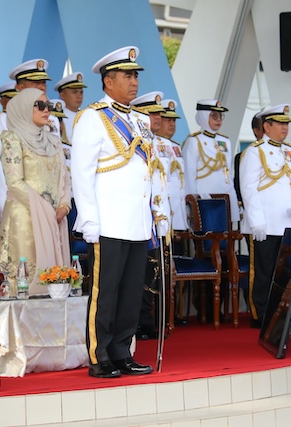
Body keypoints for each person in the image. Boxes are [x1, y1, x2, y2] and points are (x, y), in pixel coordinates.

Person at [71, 46, 166, 378]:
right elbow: (81, 174)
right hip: (108, 221)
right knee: (106, 292)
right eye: (127, 76)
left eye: (136, 76)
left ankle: (123, 351)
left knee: (130, 293)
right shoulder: (92, 118)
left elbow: (149, 170)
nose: (134, 82)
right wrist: (89, 219)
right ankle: (99, 356)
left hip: (137, 221)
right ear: (108, 81)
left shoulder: (140, 120)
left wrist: (157, 214)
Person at [0, 88, 71, 296]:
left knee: (54, 284)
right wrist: (43, 209)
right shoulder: (12, 139)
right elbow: (14, 182)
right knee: (25, 283)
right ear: (25, 108)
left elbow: (65, 179)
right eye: (40, 105)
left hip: (55, 219)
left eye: (48, 106)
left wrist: (64, 205)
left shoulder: (54, 141)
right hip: (25, 219)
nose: (47, 110)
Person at [239, 104, 291, 328]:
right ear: (266, 126)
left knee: (283, 272)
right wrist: (256, 220)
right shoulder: (254, 151)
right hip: (265, 223)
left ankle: (278, 313)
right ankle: (260, 314)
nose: (285, 128)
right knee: (263, 271)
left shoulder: (289, 150)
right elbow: (248, 188)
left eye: (287, 124)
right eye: (280, 124)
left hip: (287, 223)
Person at [0, 59, 53, 212]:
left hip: (49, 201)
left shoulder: (51, 120)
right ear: (20, 87)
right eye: (36, 82)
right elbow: (1, 168)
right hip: (20, 204)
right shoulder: (5, 120)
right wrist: (5, 205)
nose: (42, 87)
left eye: (43, 82)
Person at [131, 91, 170, 340]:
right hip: (139, 217)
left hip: (156, 218)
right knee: (140, 273)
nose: (157, 118)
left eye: (159, 114)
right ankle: (139, 323)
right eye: (152, 114)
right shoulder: (136, 141)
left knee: (153, 272)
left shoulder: (159, 143)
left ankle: (149, 321)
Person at [159, 99, 188, 325]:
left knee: (176, 267)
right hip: (163, 219)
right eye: (166, 119)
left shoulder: (176, 147)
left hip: (178, 218)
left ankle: (176, 313)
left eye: (173, 120)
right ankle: (160, 315)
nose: (171, 124)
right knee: (161, 270)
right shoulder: (154, 145)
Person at [182, 99, 239, 217]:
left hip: (225, 198)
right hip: (205, 199)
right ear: (203, 116)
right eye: (214, 116)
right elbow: (189, 176)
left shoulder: (225, 141)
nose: (218, 120)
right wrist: (192, 204)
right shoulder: (194, 141)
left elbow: (227, 174)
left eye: (220, 116)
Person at [234, 113, 264, 209]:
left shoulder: (282, 152)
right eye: (265, 128)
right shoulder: (244, 156)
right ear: (256, 131)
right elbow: (240, 187)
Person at [54, 72, 87, 142]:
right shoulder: (57, 119)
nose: (79, 96)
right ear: (62, 95)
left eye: (81, 92)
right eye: (75, 92)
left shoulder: (87, 116)